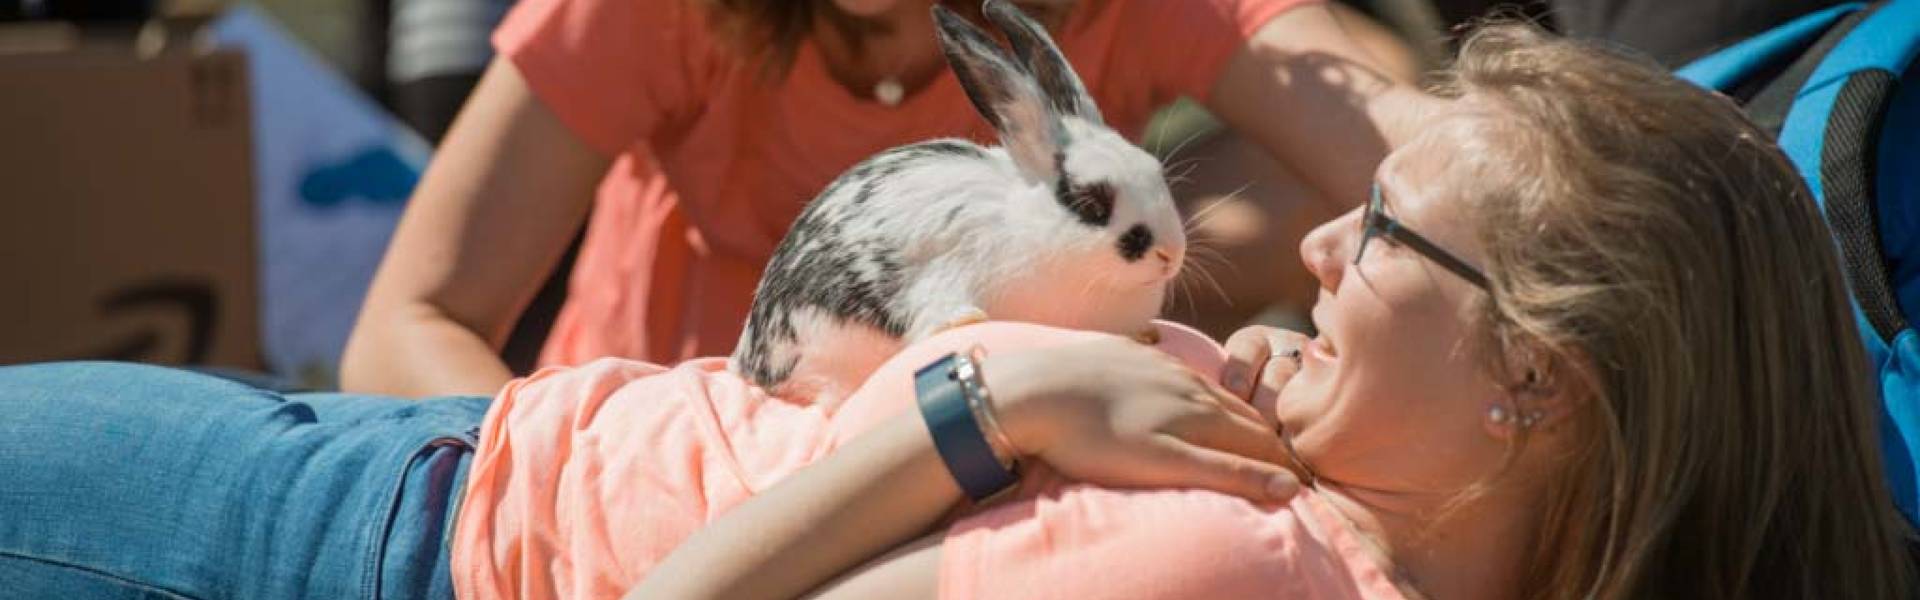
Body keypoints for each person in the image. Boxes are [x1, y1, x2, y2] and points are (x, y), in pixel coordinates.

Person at [0, 22, 1912, 600]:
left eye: (1382, 241)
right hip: (460, 450)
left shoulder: (1227, 563)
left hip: (391, 540)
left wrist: (980, 403)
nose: (1316, 248)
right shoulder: (1327, 477)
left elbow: (1313, 65)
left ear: (1540, 388)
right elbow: (412, 305)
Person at [338, 0, 1431, 397]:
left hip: (989, 497)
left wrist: (1103, 320)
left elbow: (1412, 144)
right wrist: (581, 479)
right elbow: (405, 327)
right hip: (674, 468)